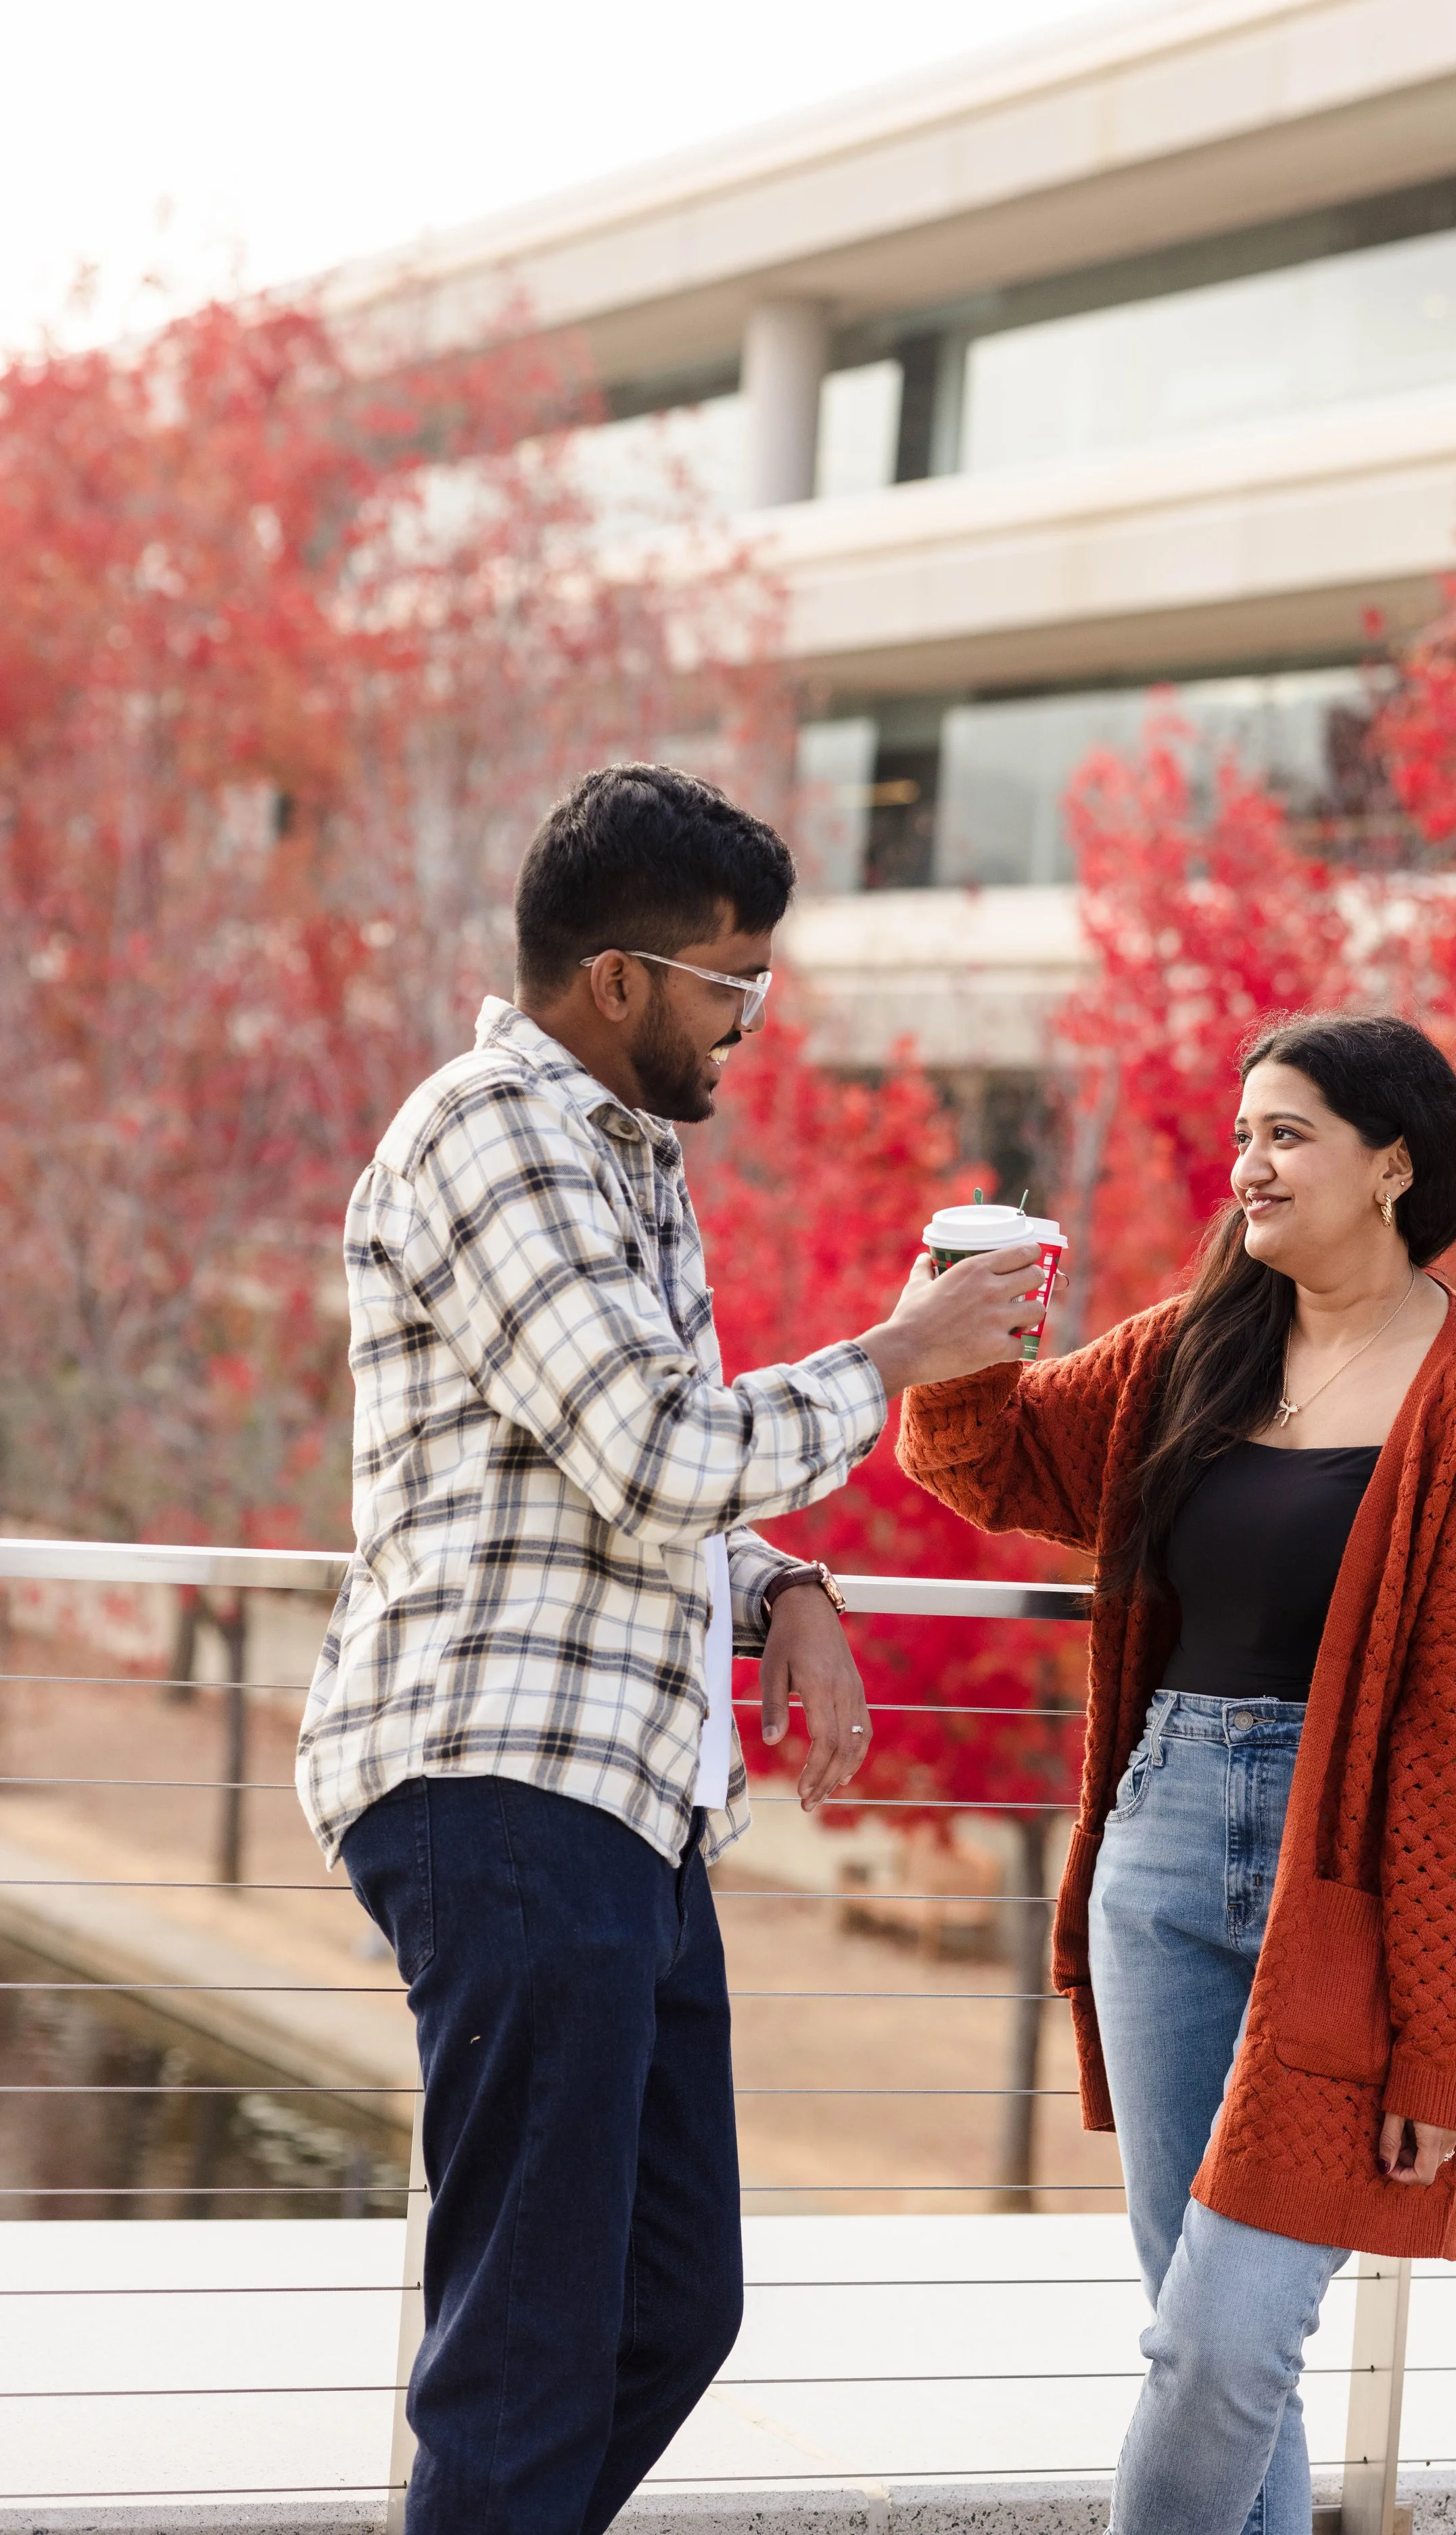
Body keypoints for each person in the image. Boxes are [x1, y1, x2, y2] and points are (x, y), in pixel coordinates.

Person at [296, 764, 1045, 2535]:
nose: (752, 1024)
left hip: (625, 1804)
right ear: (618, 975)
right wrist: (896, 1352)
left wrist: (779, 1586)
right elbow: (647, 1451)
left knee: (669, 2298)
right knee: (527, 2341)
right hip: (502, 1777)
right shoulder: (492, 1133)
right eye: (733, 983)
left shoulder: (622, 1154)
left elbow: (623, 1471)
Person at [897, 1012, 1456, 2535]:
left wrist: (1441, 2048)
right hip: (1161, 1850)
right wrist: (951, 1323)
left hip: (1341, 1893)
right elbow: (990, 1463)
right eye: (1241, 1134)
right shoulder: (1190, 1345)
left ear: (1393, 1164)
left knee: (1222, 2344)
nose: (1246, 1165)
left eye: (1287, 1135)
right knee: (1201, 2333)